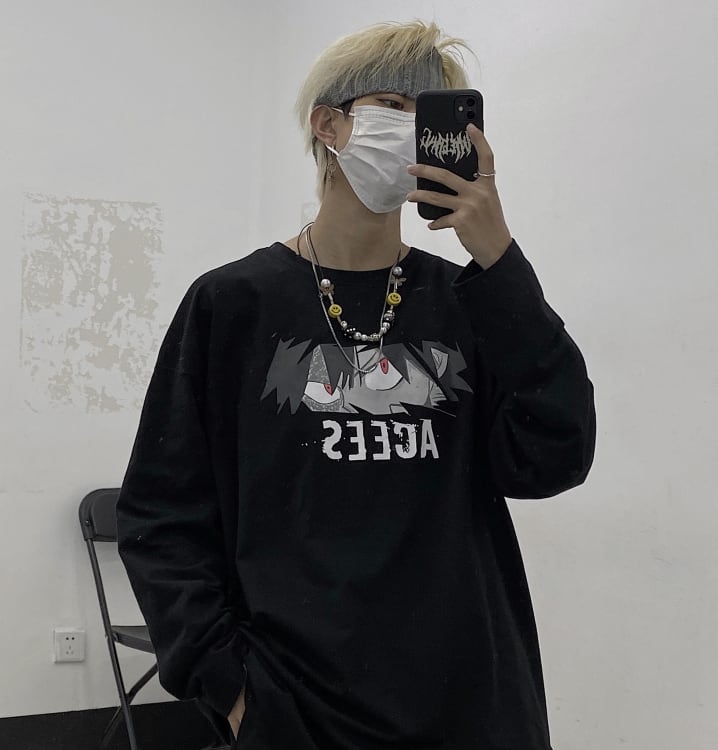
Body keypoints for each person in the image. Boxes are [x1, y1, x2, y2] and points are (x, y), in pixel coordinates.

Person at [116, 19, 596, 750]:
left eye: (432, 114)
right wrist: (231, 687)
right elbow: (161, 515)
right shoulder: (232, 304)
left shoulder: (472, 300)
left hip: (470, 700)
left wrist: (500, 261)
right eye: (394, 106)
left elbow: (553, 458)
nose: (412, 129)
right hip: (297, 709)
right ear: (329, 125)